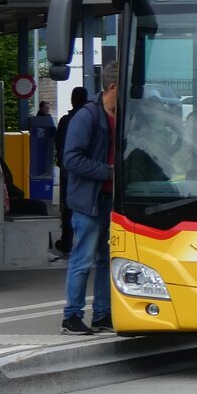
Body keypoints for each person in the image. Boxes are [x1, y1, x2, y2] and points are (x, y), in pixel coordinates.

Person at [60, 64, 118, 336]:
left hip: (110, 200)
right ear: (112, 87)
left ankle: (102, 314)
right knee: (83, 260)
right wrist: (107, 172)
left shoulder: (119, 114)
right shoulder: (88, 116)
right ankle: (71, 316)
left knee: (107, 260)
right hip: (89, 202)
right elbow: (70, 159)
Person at [53, 87, 89, 256]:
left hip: (69, 170)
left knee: (68, 207)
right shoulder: (91, 119)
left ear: (73, 100)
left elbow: (59, 145)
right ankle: (87, 242)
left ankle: (67, 241)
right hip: (88, 170)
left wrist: (62, 165)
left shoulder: (66, 121)